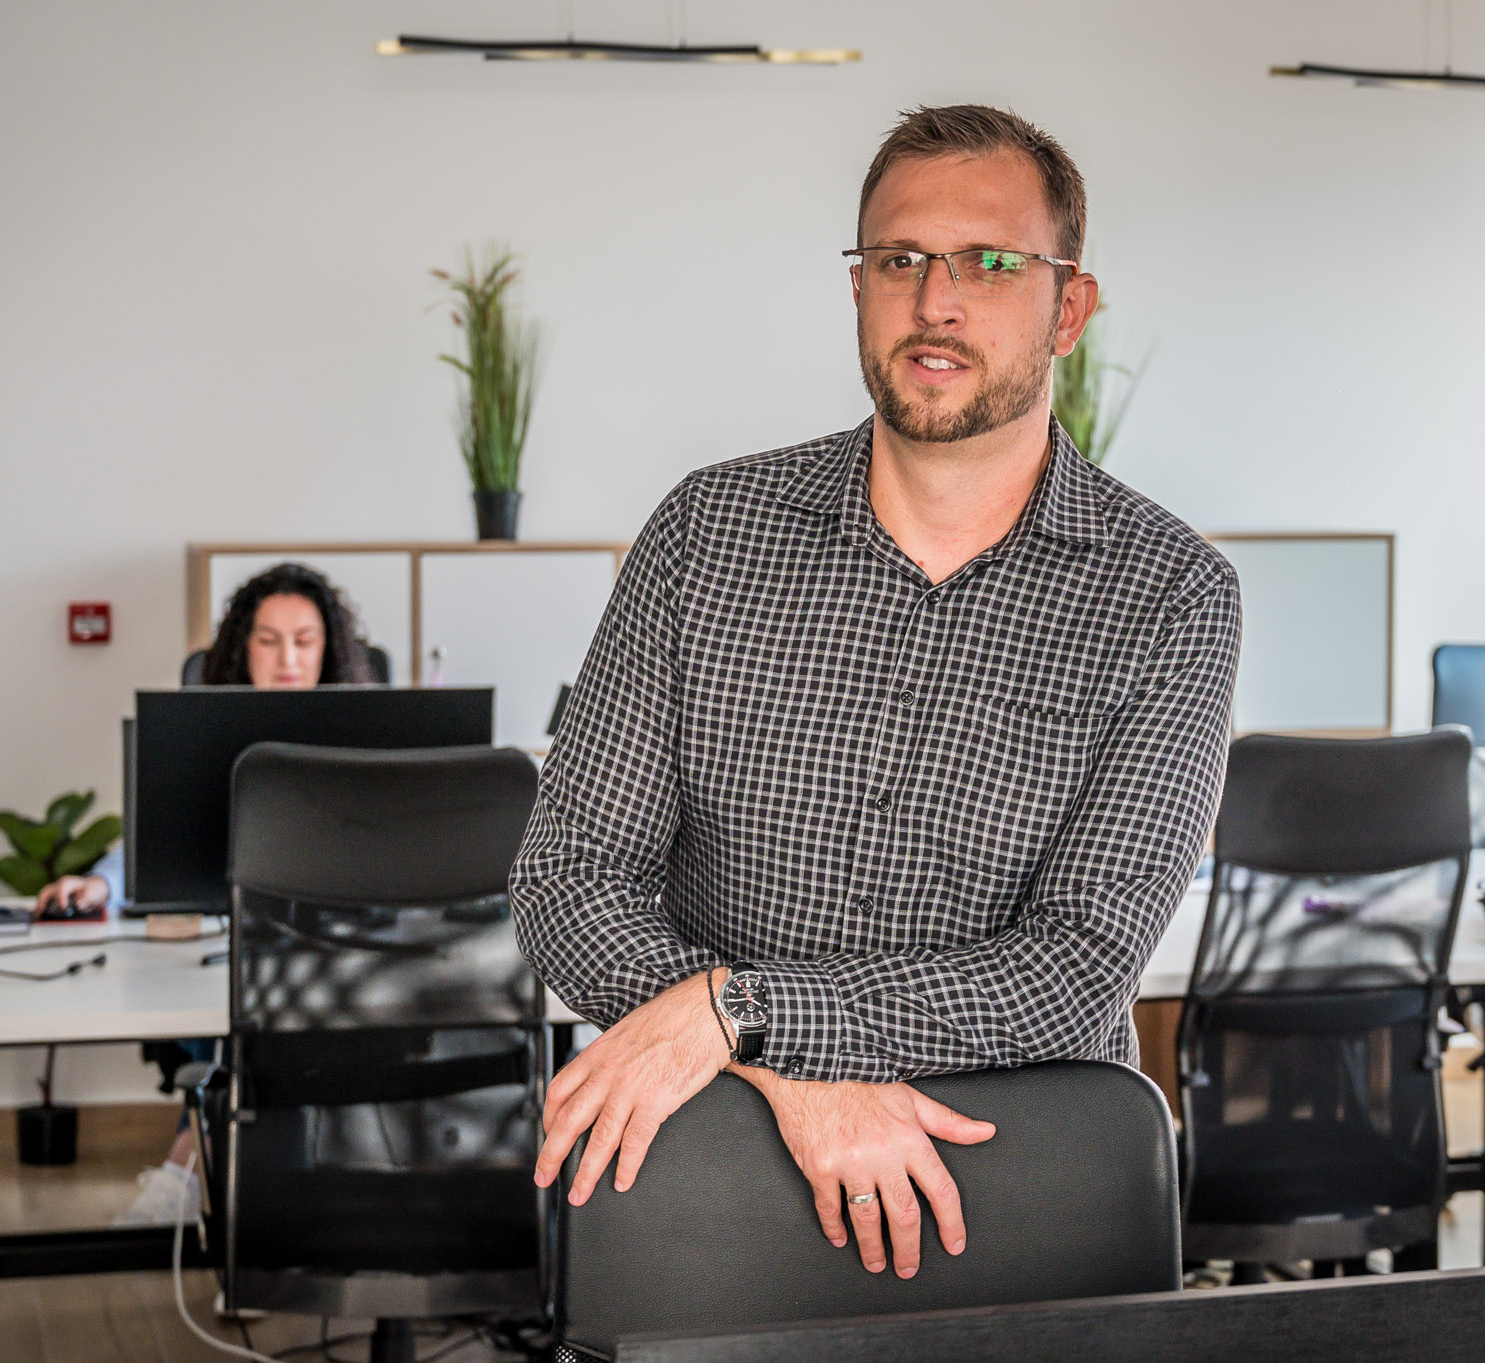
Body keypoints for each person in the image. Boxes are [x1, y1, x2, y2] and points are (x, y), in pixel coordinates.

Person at [511, 105, 1242, 1282]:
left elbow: (1074, 968)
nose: (933, 300)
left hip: (1020, 1189)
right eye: (897, 259)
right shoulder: (708, 535)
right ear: (856, 289)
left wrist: (736, 1014)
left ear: (1068, 307)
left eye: (989, 263)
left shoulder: (1167, 595)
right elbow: (568, 876)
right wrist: (787, 1071)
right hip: (712, 1181)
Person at [34, 561, 372, 1224]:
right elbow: (157, 844)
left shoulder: (365, 733)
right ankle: (193, 1165)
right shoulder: (205, 734)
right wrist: (97, 882)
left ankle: (228, 1180)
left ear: (328, 649)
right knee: (242, 1015)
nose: (288, 658)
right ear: (242, 647)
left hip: (339, 948)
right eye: (269, 640)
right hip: (235, 949)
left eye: (304, 639)